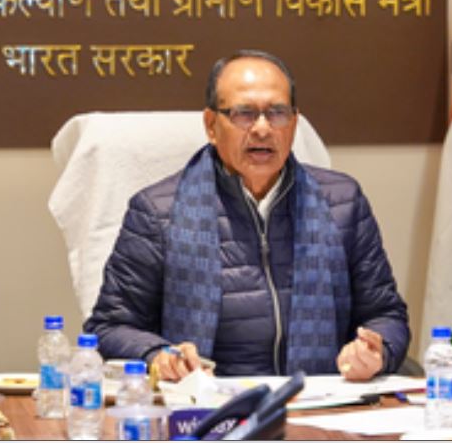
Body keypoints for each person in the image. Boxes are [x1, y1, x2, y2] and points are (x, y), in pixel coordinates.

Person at [84, 49, 410, 381]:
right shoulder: (157, 213)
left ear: (294, 123)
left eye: (277, 113)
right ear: (211, 125)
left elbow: (387, 315)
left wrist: (376, 352)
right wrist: (157, 355)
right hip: (208, 401)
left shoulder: (342, 203)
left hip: (320, 399)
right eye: (244, 114)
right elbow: (109, 327)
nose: (262, 129)